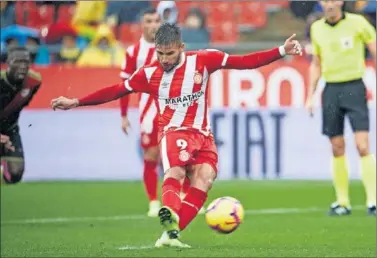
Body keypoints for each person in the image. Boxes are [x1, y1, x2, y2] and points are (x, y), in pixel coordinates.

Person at [51, 23, 302, 248]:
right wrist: (76, 101)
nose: (165, 59)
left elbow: (245, 62)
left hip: (203, 134)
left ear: (181, 47)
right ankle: (169, 212)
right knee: (176, 172)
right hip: (173, 132)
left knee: (205, 179)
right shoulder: (149, 74)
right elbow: (116, 91)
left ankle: (171, 234)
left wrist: (281, 50)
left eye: (170, 53)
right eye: (160, 53)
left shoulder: (203, 60)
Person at [120, 8, 203, 217]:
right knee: (151, 155)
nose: (153, 25)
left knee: (181, 152)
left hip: (173, 106)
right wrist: (123, 115)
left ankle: (184, 195)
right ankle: (153, 202)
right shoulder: (133, 53)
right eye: (149, 21)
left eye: (157, 20)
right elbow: (124, 85)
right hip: (148, 110)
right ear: (142, 24)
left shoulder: (171, 48)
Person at [306, 1, 376, 216]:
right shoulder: (316, 28)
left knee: (362, 145)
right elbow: (316, 63)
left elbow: (374, 50)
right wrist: (310, 94)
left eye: (332, 0)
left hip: (354, 87)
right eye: (324, 1)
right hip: (331, 90)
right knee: (337, 146)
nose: (328, 4)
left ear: (340, 2)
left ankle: (372, 201)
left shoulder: (358, 23)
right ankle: (342, 202)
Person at [1, 46, 42, 184]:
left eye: (26, 62)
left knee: (15, 174)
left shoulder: (34, 82)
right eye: (18, 61)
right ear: (8, 62)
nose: (23, 66)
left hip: (10, 128)